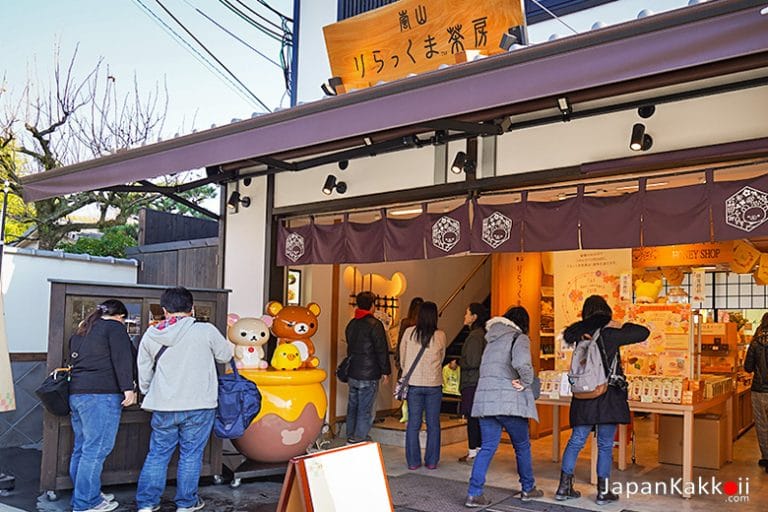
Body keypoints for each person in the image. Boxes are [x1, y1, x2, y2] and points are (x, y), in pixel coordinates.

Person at [135, 287, 233, 512]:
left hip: (164, 405)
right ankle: (186, 503)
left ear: (164, 310)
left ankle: (147, 504)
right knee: (191, 455)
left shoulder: (152, 334)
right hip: (200, 405)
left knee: (158, 455)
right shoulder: (205, 330)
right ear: (192, 308)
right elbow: (225, 356)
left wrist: (149, 390)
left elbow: (144, 369)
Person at [555, 295, 649, 505]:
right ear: (606, 312)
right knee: (605, 444)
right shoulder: (610, 333)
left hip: (583, 395)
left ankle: (564, 487)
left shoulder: (579, 335)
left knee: (576, 440)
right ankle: (603, 492)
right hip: (607, 396)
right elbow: (644, 332)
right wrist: (619, 323)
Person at [465, 306, 543, 508]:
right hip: (508, 402)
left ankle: (474, 493)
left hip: (486, 401)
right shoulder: (519, 338)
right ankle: (528, 488)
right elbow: (522, 363)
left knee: (487, 447)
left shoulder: (492, 339)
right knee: (522, 446)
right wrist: (526, 381)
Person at [68, 299, 136, 512]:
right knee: (96, 450)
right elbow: (122, 359)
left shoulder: (83, 331)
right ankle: (86, 503)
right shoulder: (114, 328)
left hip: (77, 395)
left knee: (82, 448)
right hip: (101, 395)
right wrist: (129, 389)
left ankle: (86, 494)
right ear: (120, 316)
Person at [400, 301, 447, 470]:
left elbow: (403, 358)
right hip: (433, 384)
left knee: (413, 424)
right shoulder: (440, 335)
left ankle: (413, 462)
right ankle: (432, 461)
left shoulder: (409, 333)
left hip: (413, 384)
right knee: (433, 424)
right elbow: (441, 359)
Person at [344, 291, 392, 443]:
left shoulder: (351, 323)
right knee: (366, 408)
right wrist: (386, 371)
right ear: (372, 305)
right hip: (369, 373)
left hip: (353, 371)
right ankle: (359, 438)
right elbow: (381, 349)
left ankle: (351, 435)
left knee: (353, 406)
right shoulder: (375, 324)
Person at [458, 303, 489, 464]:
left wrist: (458, 362)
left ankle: (473, 452)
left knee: (472, 417)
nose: (464, 316)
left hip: (472, 381)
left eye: (467, 313)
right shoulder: (480, 334)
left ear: (474, 316)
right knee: (476, 417)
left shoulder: (475, 336)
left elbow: (472, 360)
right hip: (477, 380)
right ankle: (476, 451)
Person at [744, 312, 768, 473]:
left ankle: (766, 458)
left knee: (762, 424)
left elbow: (748, 367)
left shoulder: (756, 341)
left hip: (759, 389)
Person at [396, 297, 424, 375]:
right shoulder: (425, 325)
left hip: (407, 358)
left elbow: (400, 342)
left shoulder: (406, 322)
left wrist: (398, 359)